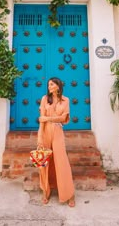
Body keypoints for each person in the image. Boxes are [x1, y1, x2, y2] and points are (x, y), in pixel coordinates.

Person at [37, 77, 75, 207]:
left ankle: (69, 193)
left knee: (61, 161)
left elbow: (63, 118)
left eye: (52, 84)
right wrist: (40, 137)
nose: (49, 87)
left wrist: (47, 118)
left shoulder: (66, 100)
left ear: (58, 86)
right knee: (44, 161)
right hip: (45, 131)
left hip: (58, 131)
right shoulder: (44, 99)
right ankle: (46, 191)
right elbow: (41, 121)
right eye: (48, 85)